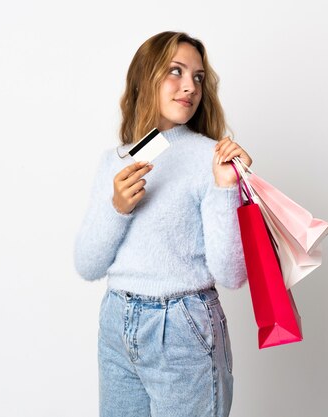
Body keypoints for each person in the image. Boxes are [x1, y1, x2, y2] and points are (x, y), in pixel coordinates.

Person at [73, 31, 253, 417]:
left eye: (198, 77)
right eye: (176, 71)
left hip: (184, 328)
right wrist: (116, 207)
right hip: (117, 322)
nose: (190, 86)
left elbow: (232, 274)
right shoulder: (116, 160)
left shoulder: (212, 159)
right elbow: (87, 264)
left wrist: (225, 188)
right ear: (146, 77)